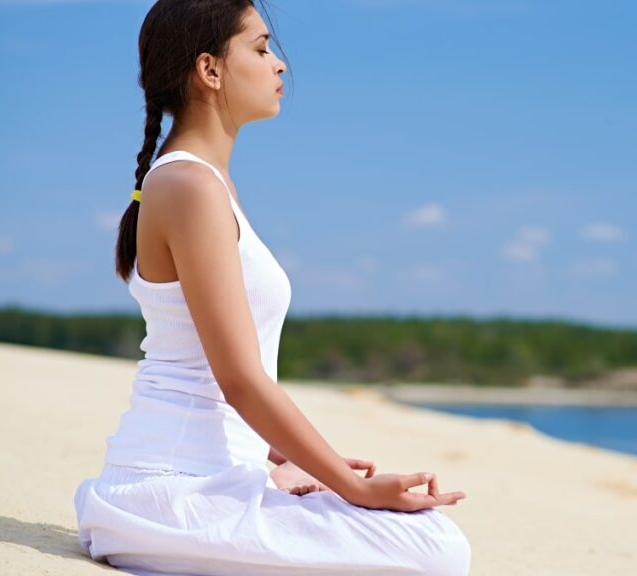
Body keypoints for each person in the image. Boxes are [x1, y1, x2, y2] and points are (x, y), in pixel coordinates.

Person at [73, 1, 471, 574]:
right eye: (260, 48)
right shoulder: (189, 185)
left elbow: (209, 366)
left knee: (428, 534)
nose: (280, 64)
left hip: (217, 474)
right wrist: (350, 487)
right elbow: (238, 378)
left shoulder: (206, 182)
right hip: (168, 492)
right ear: (209, 70)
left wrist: (278, 457)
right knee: (437, 550)